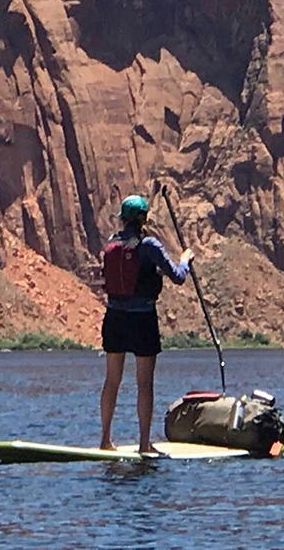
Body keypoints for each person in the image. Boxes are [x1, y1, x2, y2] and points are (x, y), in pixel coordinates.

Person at [98, 193, 192, 454]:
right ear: (143, 218)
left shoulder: (111, 243)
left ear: (122, 219)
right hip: (142, 319)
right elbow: (178, 276)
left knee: (111, 381)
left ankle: (105, 440)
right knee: (144, 383)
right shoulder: (149, 245)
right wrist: (185, 259)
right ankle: (144, 444)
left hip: (114, 316)